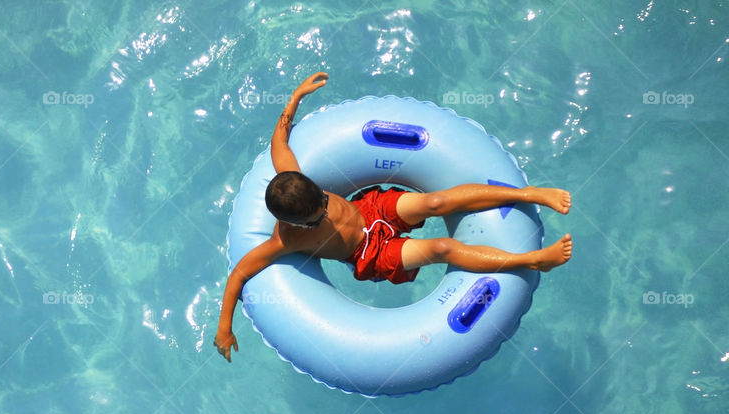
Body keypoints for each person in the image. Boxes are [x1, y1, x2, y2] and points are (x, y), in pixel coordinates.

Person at [214, 72, 572, 362]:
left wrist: (296, 96)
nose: (324, 213)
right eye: (315, 217)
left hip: (370, 209)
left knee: (434, 202)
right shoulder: (287, 240)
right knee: (444, 246)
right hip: (370, 253)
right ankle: (532, 260)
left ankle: (528, 193)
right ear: (295, 224)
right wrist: (224, 327)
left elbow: (280, 139)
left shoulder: (294, 175)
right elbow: (240, 273)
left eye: (323, 201)